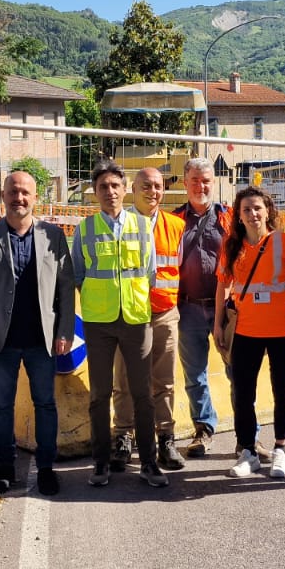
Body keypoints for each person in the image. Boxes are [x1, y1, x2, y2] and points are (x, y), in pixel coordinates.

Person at [0, 169, 76, 496]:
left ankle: (45, 467)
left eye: (26, 192)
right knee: (2, 406)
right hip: (1, 342)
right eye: (13, 192)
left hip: (42, 340)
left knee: (45, 404)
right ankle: (5, 465)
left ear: (35, 198)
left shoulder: (53, 236)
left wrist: (65, 330)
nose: (19, 198)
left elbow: (66, 288)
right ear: (3, 196)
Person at [73, 160, 165, 487]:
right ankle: (100, 464)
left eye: (115, 186)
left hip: (137, 320)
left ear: (125, 189)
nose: (110, 192)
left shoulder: (142, 227)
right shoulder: (84, 230)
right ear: (94, 193)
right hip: (99, 323)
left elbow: (150, 273)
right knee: (99, 395)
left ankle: (150, 464)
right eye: (103, 187)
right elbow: (79, 276)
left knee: (142, 394)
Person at [214, 186, 285, 479]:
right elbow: (222, 286)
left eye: (257, 208)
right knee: (243, 393)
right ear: (238, 215)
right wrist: (218, 325)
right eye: (246, 209)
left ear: (268, 211)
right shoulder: (232, 246)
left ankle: (281, 450)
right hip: (246, 330)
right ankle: (248, 451)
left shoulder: (284, 242)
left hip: (282, 329)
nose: (252, 214)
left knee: (283, 391)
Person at [108, 167, 186, 473]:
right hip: (128, 315)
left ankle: (165, 438)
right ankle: (122, 438)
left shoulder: (176, 226)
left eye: (157, 186)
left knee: (163, 381)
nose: (152, 191)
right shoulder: (118, 224)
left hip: (165, 314)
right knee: (124, 380)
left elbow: (176, 268)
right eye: (145, 185)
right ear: (132, 189)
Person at [174, 157, 231, 456]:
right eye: (195, 180)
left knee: (237, 371)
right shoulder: (173, 221)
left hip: (228, 310)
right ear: (185, 183)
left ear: (214, 182)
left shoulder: (230, 217)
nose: (201, 185)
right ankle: (203, 430)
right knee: (195, 375)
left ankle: (248, 436)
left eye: (206, 180)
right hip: (188, 310)